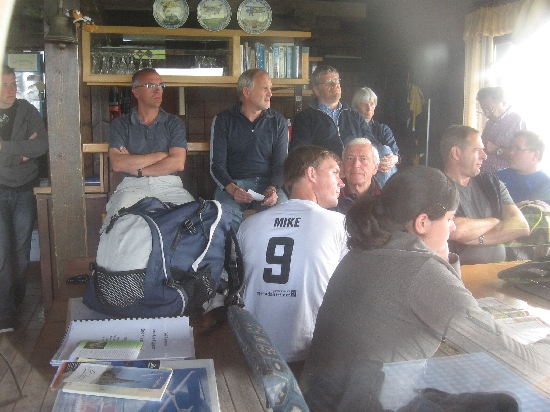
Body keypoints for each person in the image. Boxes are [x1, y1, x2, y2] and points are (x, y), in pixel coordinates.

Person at [300, 166, 550, 411]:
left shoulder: (365, 250)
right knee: (506, 400)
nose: (453, 228)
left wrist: (443, 259)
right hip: (370, 402)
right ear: (422, 222)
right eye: (450, 219)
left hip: (325, 400)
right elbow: (520, 363)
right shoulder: (421, 270)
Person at [237, 145, 348, 370]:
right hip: (310, 354)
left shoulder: (248, 226)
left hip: (253, 351)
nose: (341, 182)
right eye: (335, 172)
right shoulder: (340, 225)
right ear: (311, 173)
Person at [102, 68, 194, 233]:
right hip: (132, 186)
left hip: (169, 184)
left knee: (192, 219)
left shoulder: (174, 123)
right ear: (136, 92)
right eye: (151, 86)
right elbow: (117, 163)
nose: (158, 90)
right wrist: (161, 156)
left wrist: (137, 169)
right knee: (117, 223)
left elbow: (178, 163)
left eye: (161, 85)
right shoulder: (121, 124)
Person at [0, 64, 48, 333]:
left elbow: (41, 145)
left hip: (24, 188)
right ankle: (5, 312)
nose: (11, 90)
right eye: (4, 85)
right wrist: (20, 155)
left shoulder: (27, 110)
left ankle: (15, 300)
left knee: (20, 251)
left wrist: (5, 147)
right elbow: (30, 148)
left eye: (13, 84)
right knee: (2, 252)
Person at [290, 66, 397, 184]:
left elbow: (372, 142)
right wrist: (333, 164)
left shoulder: (354, 115)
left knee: (385, 151)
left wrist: (392, 158)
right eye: (329, 82)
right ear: (317, 90)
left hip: (355, 169)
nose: (335, 85)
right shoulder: (305, 117)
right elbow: (301, 153)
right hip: (326, 174)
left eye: (337, 80)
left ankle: (384, 193)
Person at [210, 68, 287, 232]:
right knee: (226, 216)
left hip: (267, 186)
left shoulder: (278, 122)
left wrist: (273, 189)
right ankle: (237, 250)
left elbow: (281, 165)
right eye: (264, 88)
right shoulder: (223, 120)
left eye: (270, 88)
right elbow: (216, 165)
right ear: (246, 92)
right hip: (234, 185)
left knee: (284, 213)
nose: (270, 93)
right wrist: (233, 189)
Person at [441, 125, 529, 264]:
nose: (484, 156)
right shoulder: (437, 187)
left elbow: (521, 225)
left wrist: (476, 237)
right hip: (458, 273)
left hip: (499, 271)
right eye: (477, 150)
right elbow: (455, 229)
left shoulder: (492, 184)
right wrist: (496, 220)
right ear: (456, 153)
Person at [351, 86, 399, 185]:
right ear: (356, 108)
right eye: (364, 105)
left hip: (385, 169)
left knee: (386, 150)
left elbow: (395, 152)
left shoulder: (383, 129)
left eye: (372, 104)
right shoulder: (352, 128)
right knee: (383, 150)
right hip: (361, 168)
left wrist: (393, 159)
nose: (369, 109)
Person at [477, 86, 526, 173]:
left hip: (504, 178)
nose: (486, 114)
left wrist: (497, 150)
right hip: (484, 175)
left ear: (503, 103)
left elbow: (522, 158)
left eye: (489, 109)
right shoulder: (490, 122)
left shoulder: (518, 122)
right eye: (483, 110)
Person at [497, 130, 550, 204]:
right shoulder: (500, 175)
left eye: (518, 149)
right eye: (510, 148)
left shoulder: (545, 185)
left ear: (535, 155)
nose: (511, 152)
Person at [335, 137, 381, 214]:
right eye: (350, 158)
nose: (356, 165)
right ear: (342, 166)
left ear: (375, 168)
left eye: (363, 159)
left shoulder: (385, 197)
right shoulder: (331, 197)